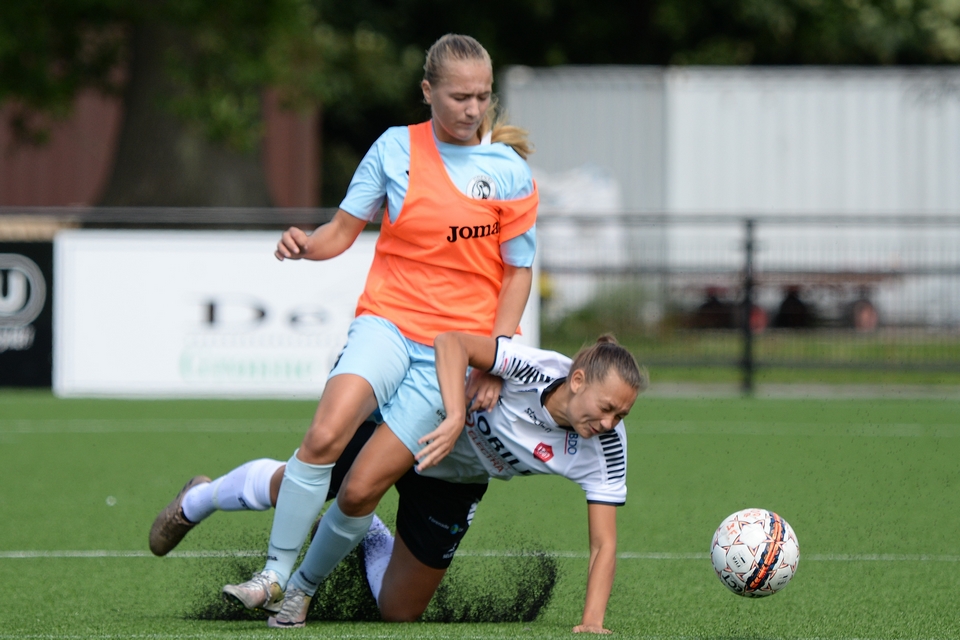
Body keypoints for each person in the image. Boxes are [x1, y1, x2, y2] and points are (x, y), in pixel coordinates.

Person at [148, 33, 539, 614]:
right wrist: (306, 245)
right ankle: (269, 569)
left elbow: (517, 274)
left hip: (450, 358)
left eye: (482, 97)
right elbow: (340, 232)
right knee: (323, 440)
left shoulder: (509, 171)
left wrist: (497, 360)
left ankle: (328, 563)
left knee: (365, 508)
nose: (473, 109)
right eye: (460, 97)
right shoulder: (394, 149)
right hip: (388, 323)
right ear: (427, 91)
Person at [150, 334, 647, 633]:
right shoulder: (530, 367)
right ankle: (198, 499)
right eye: (607, 408)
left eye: (621, 415)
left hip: (454, 480)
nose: (609, 423)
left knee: (399, 613)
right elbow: (451, 342)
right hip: (413, 425)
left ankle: (367, 531)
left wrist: (592, 622)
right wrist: (456, 413)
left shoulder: (605, 448)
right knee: (292, 488)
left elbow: (603, 545)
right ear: (577, 381)